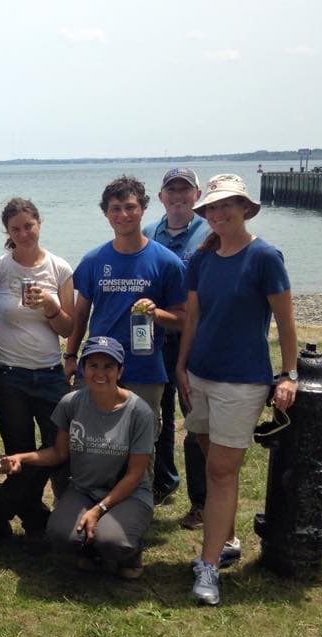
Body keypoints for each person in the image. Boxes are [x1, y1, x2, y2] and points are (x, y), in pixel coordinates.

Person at [176, 173, 298, 606]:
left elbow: (285, 320)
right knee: (210, 458)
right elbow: (193, 318)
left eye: (228, 204)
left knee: (222, 472)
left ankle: (209, 566)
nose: (219, 213)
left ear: (245, 207)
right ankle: (226, 541)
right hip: (200, 375)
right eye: (212, 207)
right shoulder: (200, 260)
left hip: (242, 380)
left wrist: (288, 374)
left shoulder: (265, 256)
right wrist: (181, 366)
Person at [66, 175, 186, 493]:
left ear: (143, 208)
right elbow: (80, 315)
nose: (123, 215)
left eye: (130, 207)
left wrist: (157, 314)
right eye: (116, 209)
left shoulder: (167, 262)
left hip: (144, 368)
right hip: (97, 366)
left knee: (140, 443)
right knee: (91, 439)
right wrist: (70, 355)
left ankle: (138, 507)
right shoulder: (94, 260)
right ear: (106, 214)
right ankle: (89, 501)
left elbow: (185, 319)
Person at [1, 337, 154, 578]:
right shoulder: (71, 403)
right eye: (93, 365)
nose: (100, 373)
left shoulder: (139, 412)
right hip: (84, 490)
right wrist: (23, 457)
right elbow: (59, 453)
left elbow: (135, 474)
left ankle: (128, 552)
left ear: (120, 371)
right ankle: (91, 549)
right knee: (60, 534)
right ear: (83, 368)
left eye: (108, 366)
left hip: (128, 494)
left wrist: (99, 509)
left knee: (113, 541)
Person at [0, 199, 74, 542]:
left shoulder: (59, 268)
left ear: (39, 223)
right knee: (19, 450)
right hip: (8, 373)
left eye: (28, 226)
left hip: (49, 373)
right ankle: (35, 519)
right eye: (15, 229)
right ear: (7, 231)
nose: (23, 234)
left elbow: (68, 328)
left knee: (57, 450)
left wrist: (51, 307)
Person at [143, 168, 211, 519]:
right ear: (161, 197)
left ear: (197, 195)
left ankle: (202, 502)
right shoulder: (147, 233)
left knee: (196, 420)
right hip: (156, 339)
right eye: (172, 190)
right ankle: (164, 481)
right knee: (159, 414)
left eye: (186, 190)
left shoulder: (209, 233)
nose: (179, 196)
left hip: (196, 340)